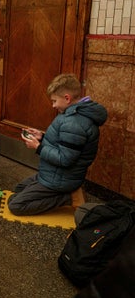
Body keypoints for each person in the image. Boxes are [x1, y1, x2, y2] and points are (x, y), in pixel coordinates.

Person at [8, 74, 107, 216]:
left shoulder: (74, 123)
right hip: (54, 174)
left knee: (16, 205)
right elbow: (62, 144)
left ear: (67, 98)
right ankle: (67, 192)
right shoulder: (72, 114)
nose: (53, 105)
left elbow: (65, 159)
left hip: (60, 179)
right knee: (18, 189)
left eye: (54, 101)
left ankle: (69, 197)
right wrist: (41, 137)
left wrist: (38, 147)